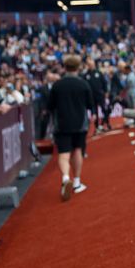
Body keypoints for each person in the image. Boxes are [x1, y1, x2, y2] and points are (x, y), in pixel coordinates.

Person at [48, 55, 94, 201]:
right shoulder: (83, 84)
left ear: (64, 67)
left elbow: (50, 106)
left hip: (61, 124)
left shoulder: (57, 85)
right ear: (78, 67)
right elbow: (89, 105)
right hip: (80, 124)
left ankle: (65, 177)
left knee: (64, 153)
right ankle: (77, 182)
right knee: (78, 151)